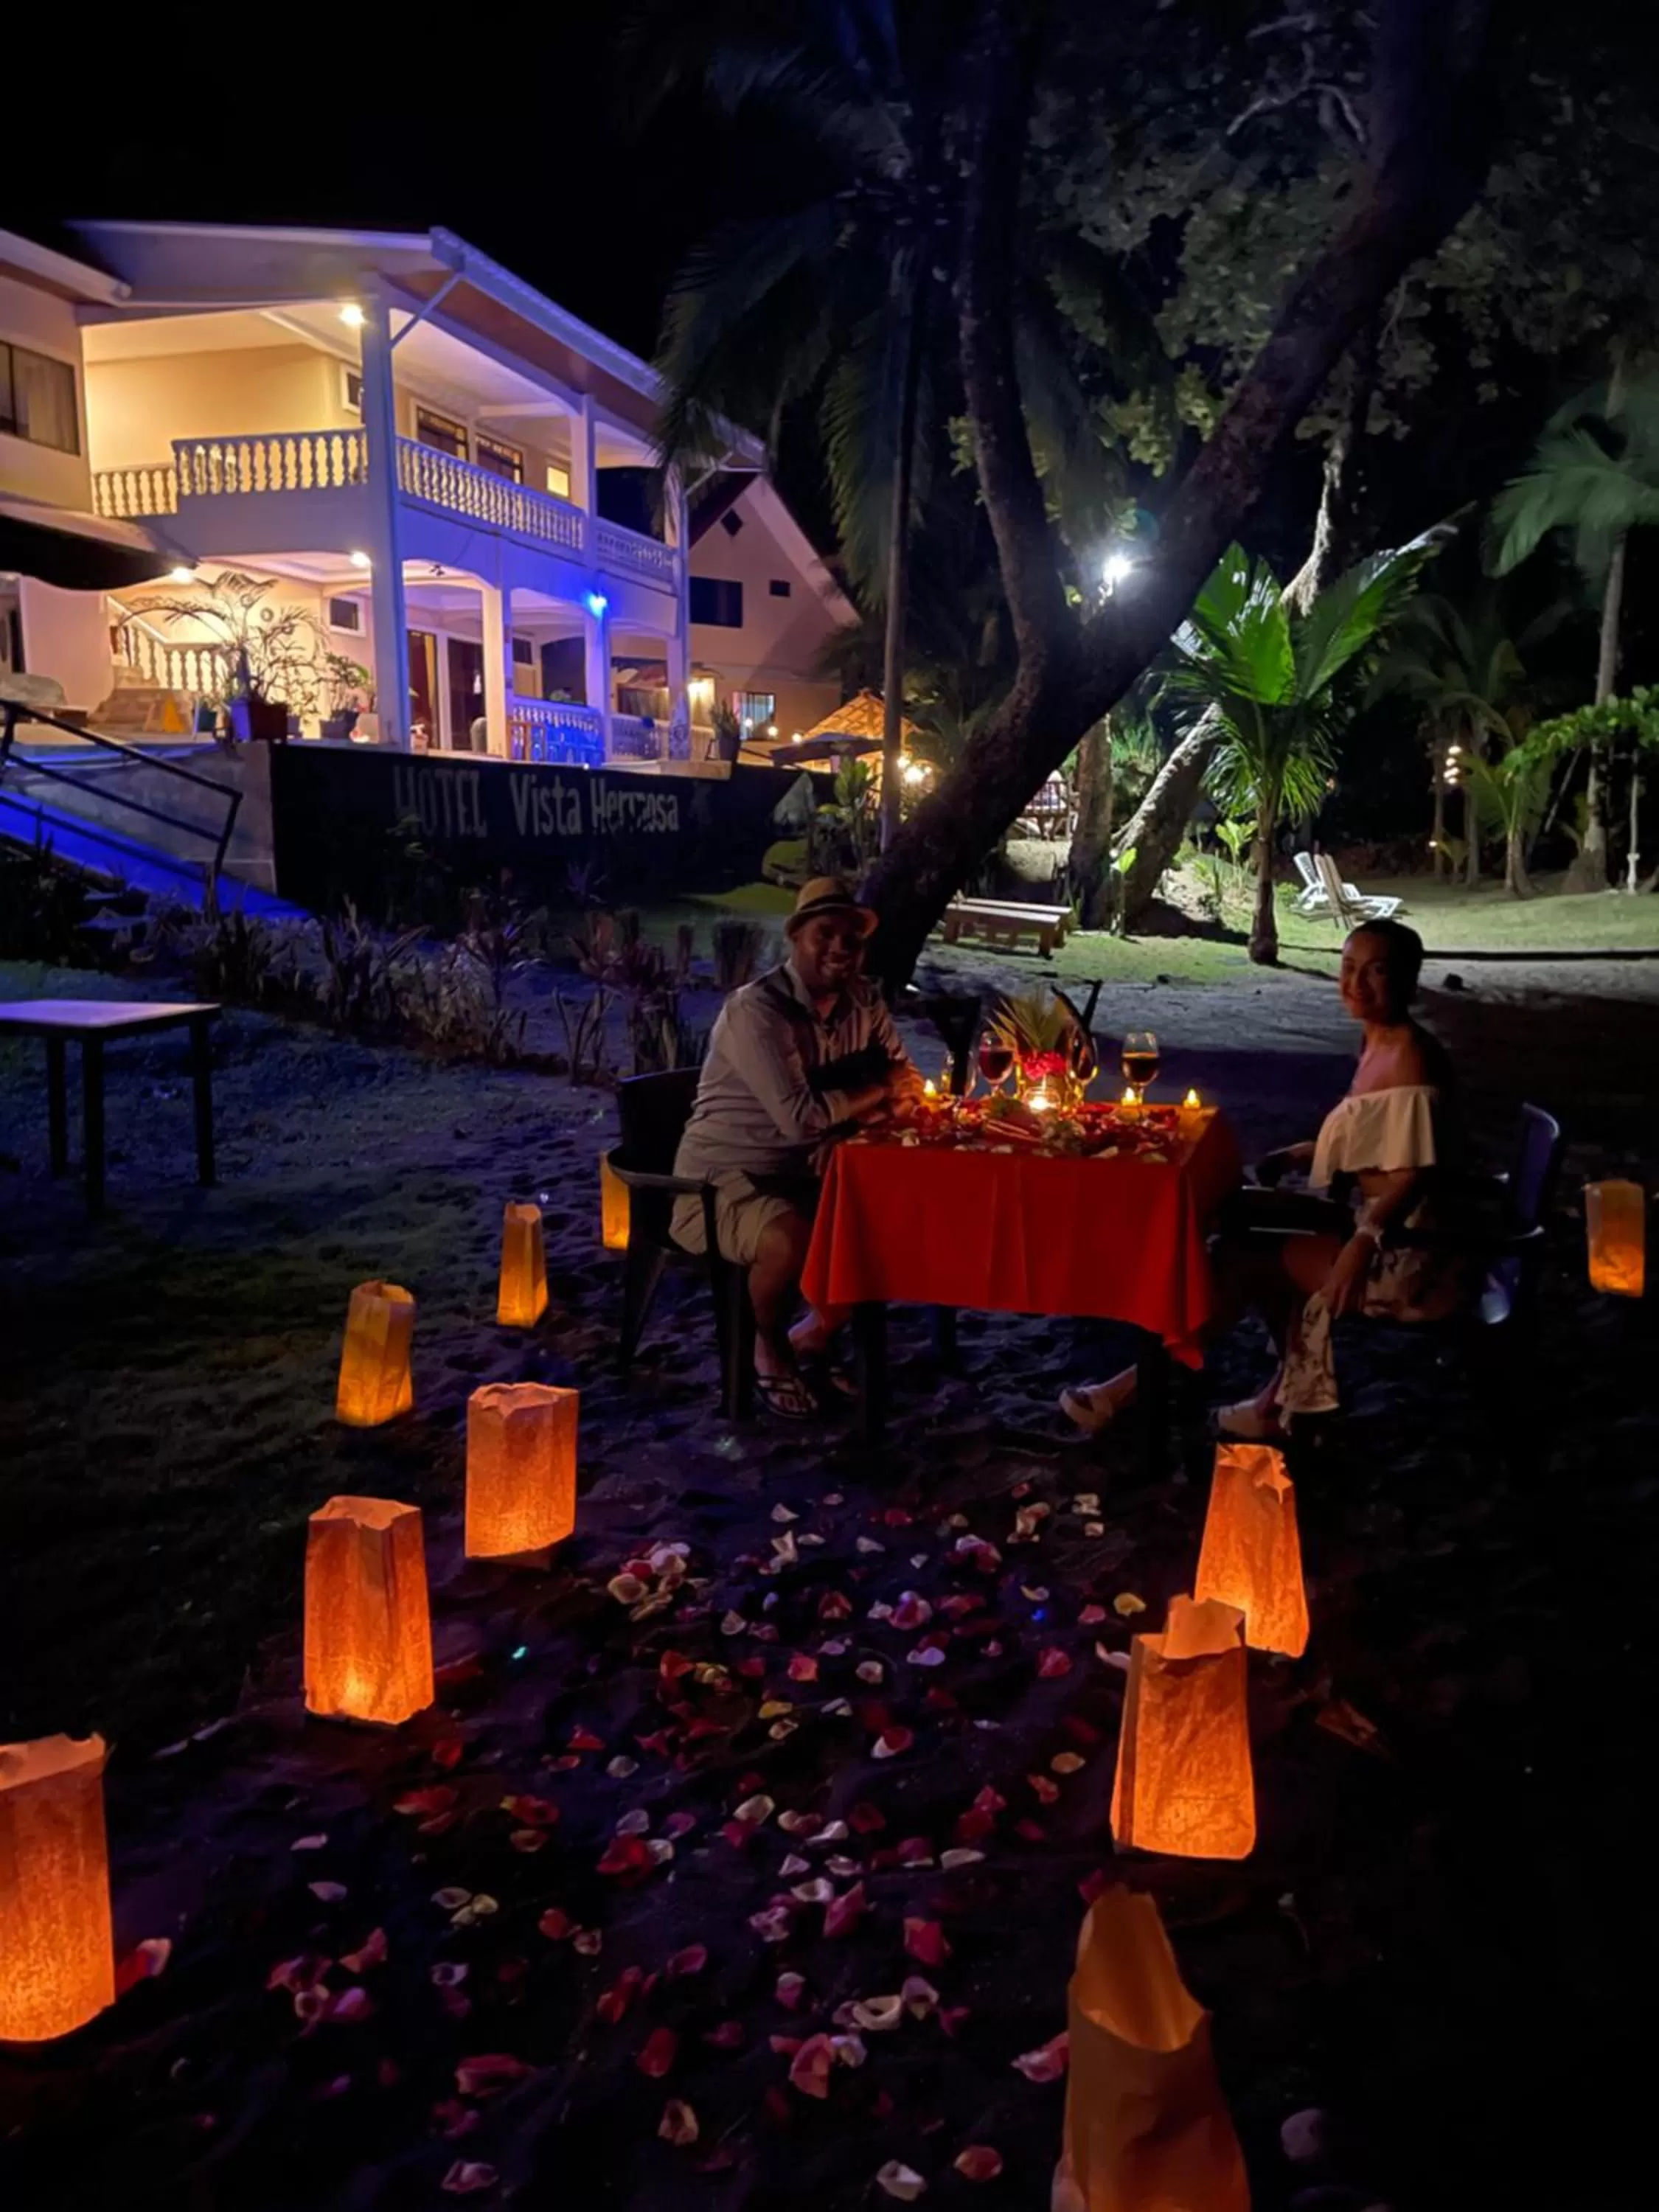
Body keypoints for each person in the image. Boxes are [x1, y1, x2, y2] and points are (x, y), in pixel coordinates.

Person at [1060, 919, 1467, 1441]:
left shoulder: (1409, 1055)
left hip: (1412, 1254)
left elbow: (1415, 1172)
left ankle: (1135, 1389)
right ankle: (1276, 1397)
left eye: (1377, 972)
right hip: (1380, 1224)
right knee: (1237, 1213)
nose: (1357, 984)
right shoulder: (1379, 1041)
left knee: (1246, 1258)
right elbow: (1380, 1137)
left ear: (1409, 981)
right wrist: (1300, 1154)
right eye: (1348, 968)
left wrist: (1361, 1245)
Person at [672, 877, 923, 1417]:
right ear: (795, 939)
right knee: (792, 1236)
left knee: (887, 1222)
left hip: (808, 1172)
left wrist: (875, 1101)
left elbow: (911, 1082)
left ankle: (818, 1331)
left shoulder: (864, 1001)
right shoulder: (756, 1011)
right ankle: (770, 1347)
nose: (839, 948)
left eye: (851, 939)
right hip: (720, 1184)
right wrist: (877, 1093)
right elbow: (800, 1117)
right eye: (824, 934)